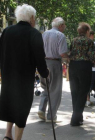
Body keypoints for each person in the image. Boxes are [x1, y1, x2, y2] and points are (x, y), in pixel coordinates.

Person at [0, 4, 49, 140]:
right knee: (21, 108)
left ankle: (7, 134)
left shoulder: (7, 31)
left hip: (8, 75)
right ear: (32, 18)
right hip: (24, 78)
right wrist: (45, 73)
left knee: (10, 103)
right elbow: (40, 57)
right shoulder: (34, 33)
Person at [38, 17, 68, 122]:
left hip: (43, 62)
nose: (64, 28)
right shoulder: (60, 35)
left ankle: (41, 109)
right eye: (64, 25)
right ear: (60, 25)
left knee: (46, 86)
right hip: (54, 63)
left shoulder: (44, 34)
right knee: (55, 90)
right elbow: (62, 53)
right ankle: (51, 116)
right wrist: (69, 56)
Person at [69, 22, 95, 126]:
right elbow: (93, 56)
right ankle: (75, 118)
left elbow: (70, 53)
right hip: (84, 67)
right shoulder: (89, 41)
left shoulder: (73, 40)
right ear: (86, 31)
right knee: (83, 92)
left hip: (73, 66)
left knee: (75, 92)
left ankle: (78, 117)